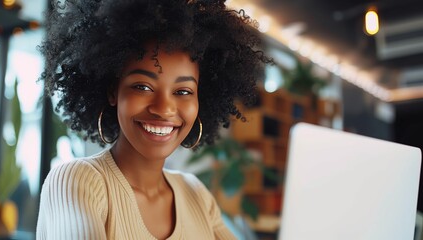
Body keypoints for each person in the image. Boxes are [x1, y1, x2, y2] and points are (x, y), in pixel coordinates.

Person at [36, 0, 271, 239]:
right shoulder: (78, 180)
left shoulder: (196, 194)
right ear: (112, 91)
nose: (164, 108)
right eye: (143, 86)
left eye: (183, 92)